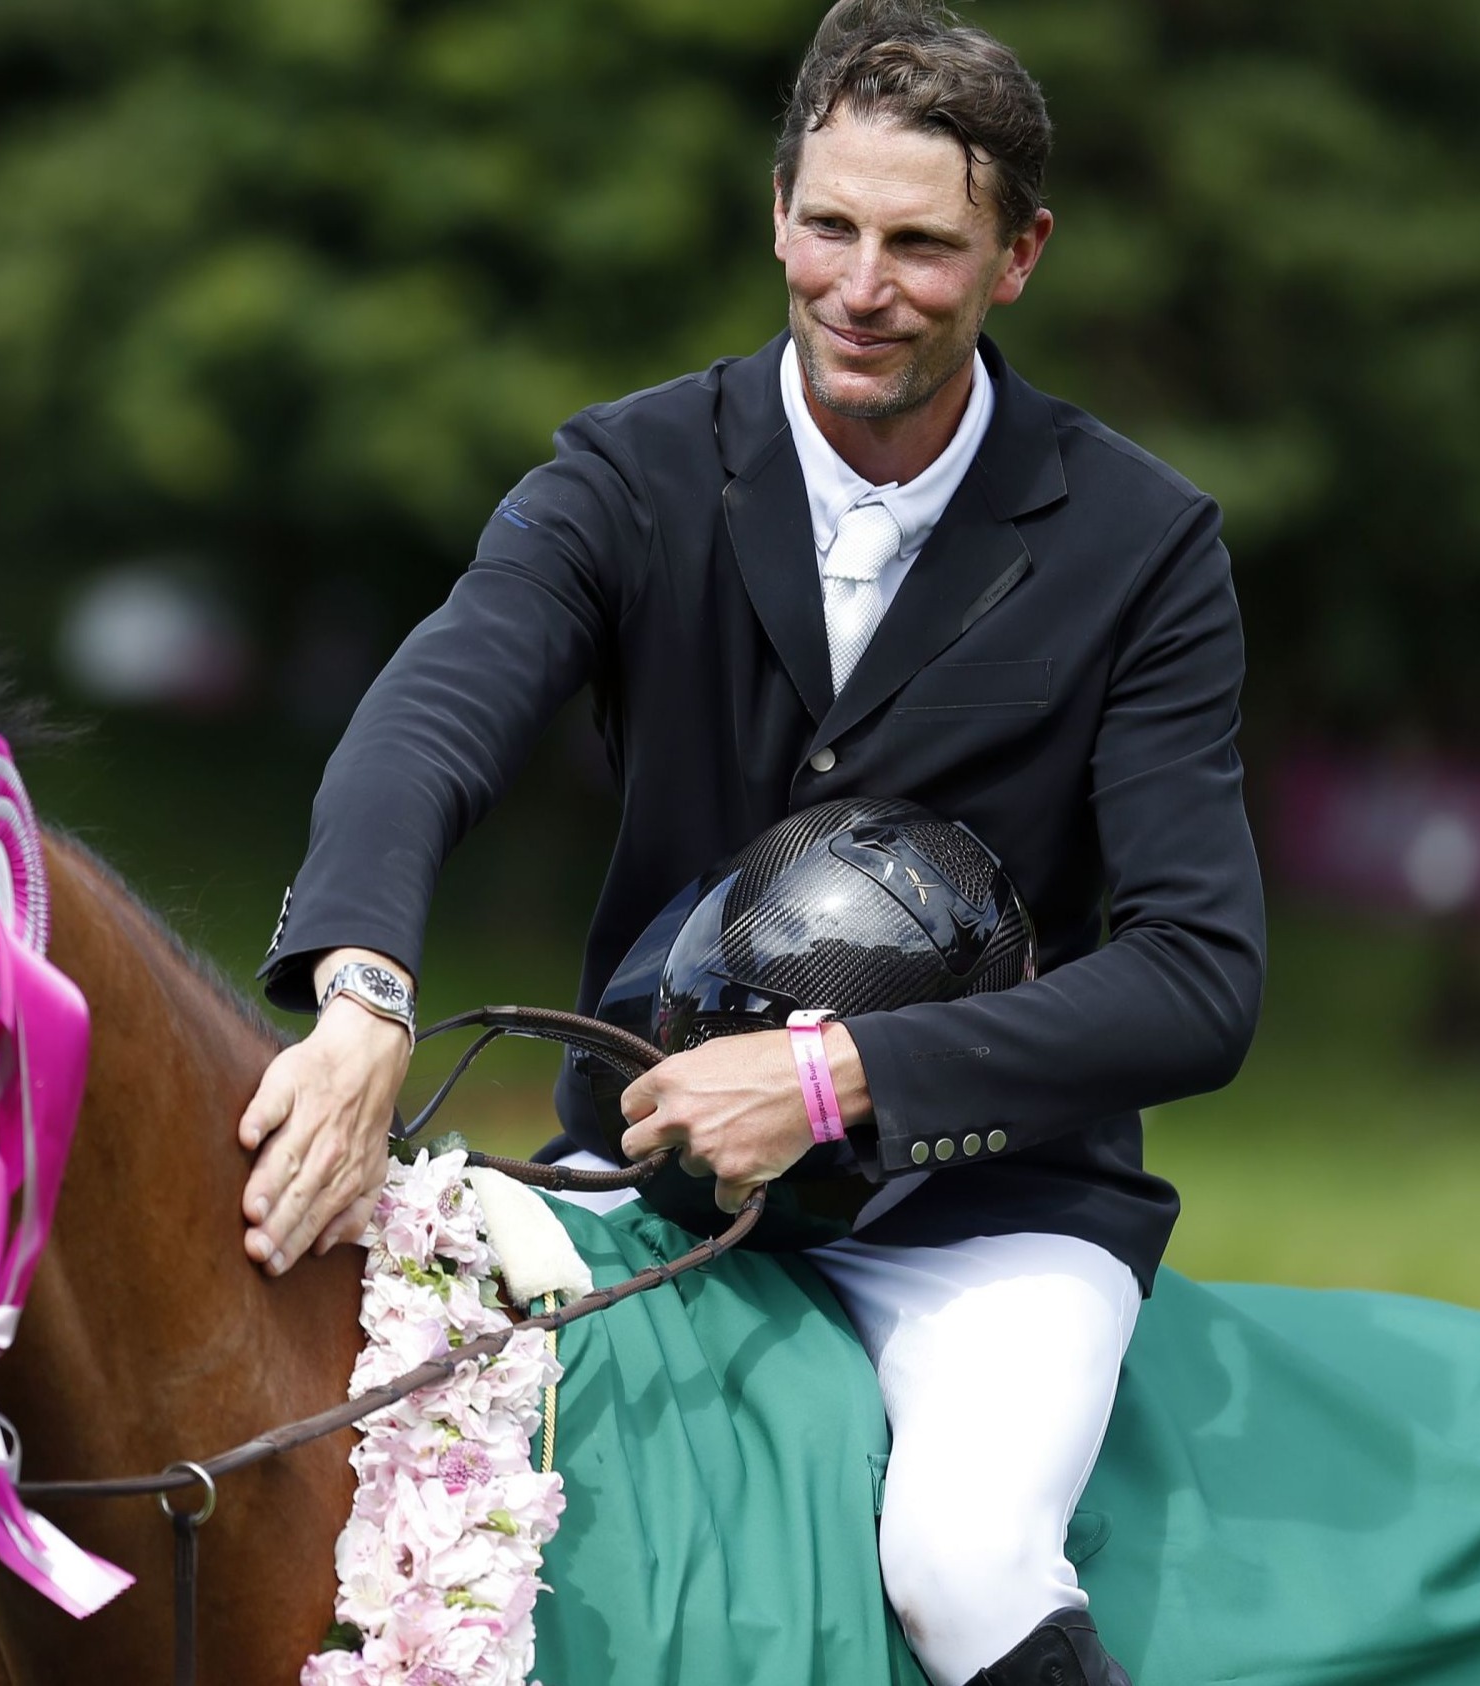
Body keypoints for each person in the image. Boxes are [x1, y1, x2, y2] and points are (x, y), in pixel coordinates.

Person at [234, 3, 1265, 1682]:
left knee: (957, 1562)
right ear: (776, 206)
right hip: (636, 1169)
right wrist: (360, 987)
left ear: (1018, 257)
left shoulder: (1144, 545)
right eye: (830, 225)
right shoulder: (625, 472)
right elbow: (435, 713)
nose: (862, 285)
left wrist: (832, 1078)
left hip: (986, 1219)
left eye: (923, 244)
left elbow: (1197, 980)